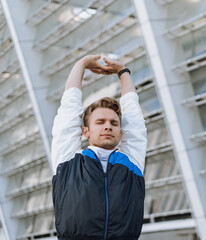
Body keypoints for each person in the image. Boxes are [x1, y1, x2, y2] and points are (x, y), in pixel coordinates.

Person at [51, 55, 147, 240]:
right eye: (100, 122)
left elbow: (134, 119)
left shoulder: (132, 164)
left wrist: (123, 72)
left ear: (121, 133)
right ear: (85, 131)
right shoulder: (68, 161)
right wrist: (82, 64)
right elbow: (68, 109)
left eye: (113, 123)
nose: (108, 126)